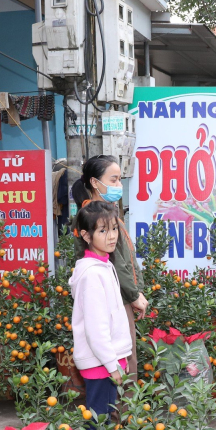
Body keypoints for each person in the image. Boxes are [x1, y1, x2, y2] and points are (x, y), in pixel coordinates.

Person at [71, 156, 147, 378]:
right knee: (124, 359)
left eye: (119, 180)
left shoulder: (104, 211)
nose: (118, 186)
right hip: (115, 297)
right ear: (95, 183)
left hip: (119, 294)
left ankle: (123, 411)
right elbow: (117, 261)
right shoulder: (94, 216)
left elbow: (124, 257)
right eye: (113, 180)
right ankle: (123, 412)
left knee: (123, 356)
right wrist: (133, 294)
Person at [68, 200, 133, 418]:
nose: (112, 236)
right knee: (97, 422)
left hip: (106, 361)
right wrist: (111, 365)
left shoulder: (104, 265)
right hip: (101, 364)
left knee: (104, 419)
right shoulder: (92, 274)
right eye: (103, 231)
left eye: (114, 228)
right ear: (87, 236)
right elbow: (96, 328)